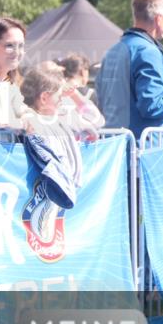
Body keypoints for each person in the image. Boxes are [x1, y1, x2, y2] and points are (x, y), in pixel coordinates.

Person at [18, 61, 104, 241]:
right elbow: (20, 122)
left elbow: (97, 120)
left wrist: (75, 97)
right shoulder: (28, 118)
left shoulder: (63, 115)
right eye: (58, 97)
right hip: (42, 186)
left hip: (67, 185)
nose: (60, 101)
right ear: (44, 98)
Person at [96, 0, 163, 139]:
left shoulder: (112, 52)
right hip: (141, 150)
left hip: (113, 145)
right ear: (159, 19)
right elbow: (152, 105)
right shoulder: (148, 52)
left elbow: (101, 101)